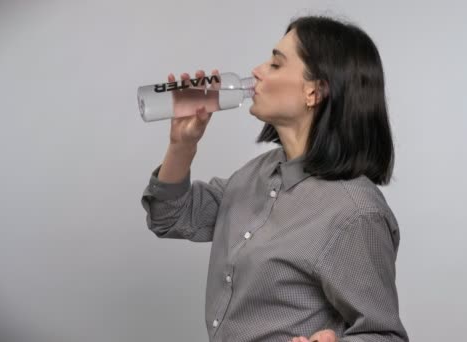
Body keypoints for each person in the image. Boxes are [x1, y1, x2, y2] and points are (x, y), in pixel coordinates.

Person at [141, 15, 409, 342]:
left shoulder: (354, 213)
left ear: (315, 90)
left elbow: (384, 335)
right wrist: (182, 145)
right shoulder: (257, 175)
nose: (257, 70)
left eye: (276, 64)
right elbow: (168, 217)